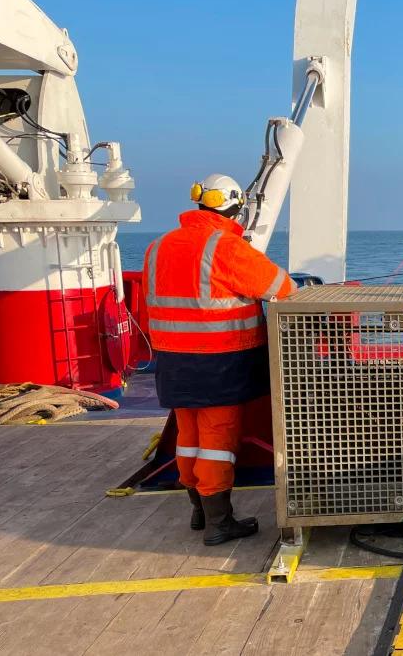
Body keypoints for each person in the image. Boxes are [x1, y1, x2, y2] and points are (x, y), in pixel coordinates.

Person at [142, 174, 296, 546]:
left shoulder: (158, 245)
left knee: (188, 436)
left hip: (172, 361)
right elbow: (282, 288)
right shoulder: (225, 247)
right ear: (236, 207)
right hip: (218, 360)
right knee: (216, 439)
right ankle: (219, 522)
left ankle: (198, 509)